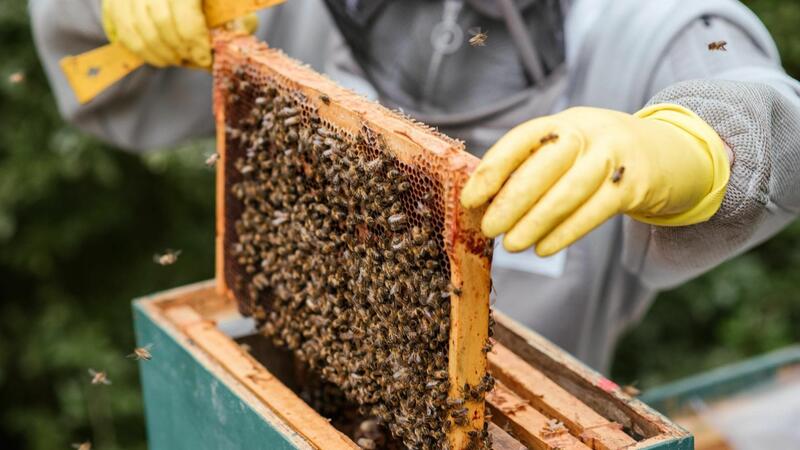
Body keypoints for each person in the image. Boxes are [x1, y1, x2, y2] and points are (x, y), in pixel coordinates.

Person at [30, 0, 800, 372]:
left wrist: (681, 146)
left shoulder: (651, 24)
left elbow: (770, 115)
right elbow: (101, 79)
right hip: (290, 386)